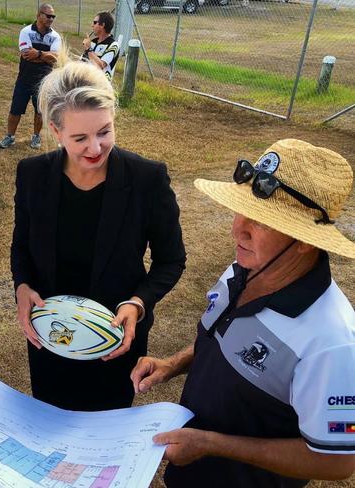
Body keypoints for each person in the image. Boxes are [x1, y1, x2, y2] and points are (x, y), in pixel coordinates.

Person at [131, 139, 355, 487]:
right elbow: (228, 338)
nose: (238, 229)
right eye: (240, 210)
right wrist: (174, 364)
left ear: (306, 240)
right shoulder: (245, 267)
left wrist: (211, 445)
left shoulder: (334, 343)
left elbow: (338, 461)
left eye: (261, 222)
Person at [11, 59, 186, 411]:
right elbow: (22, 246)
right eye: (80, 138)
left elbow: (171, 259)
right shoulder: (33, 175)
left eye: (104, 131)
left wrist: (137, 303)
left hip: (115, 342)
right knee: (52, 425)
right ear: (55, 131)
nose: (95, 148)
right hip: (51, 336)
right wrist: (23, 286)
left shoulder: (147, 179)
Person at [0, 4, 61, 150]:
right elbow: (26, 55)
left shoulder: (55, 36)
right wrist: (46, 56)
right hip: (24, 79)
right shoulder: (26, 31)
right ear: (39, 15)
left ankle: (36, 136)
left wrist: (38, 54)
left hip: (44, 82)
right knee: (15, 110)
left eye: (53, 16)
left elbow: (55, 58)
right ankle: (10, 136)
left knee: (39, 111)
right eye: (48, 16)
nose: (51, 19)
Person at [81, 12, 120, 80]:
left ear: (102, 25)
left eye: (95, 22)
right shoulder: (92, 42)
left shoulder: (113, 45)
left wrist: (88, 49)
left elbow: (101, 66)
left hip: (100, 85)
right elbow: (82, 62)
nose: (92, 25)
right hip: (86, 81)